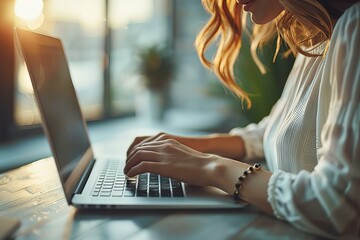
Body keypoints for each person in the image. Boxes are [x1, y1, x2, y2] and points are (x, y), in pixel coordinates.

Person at [124, 0, 360, 239]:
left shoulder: (355, 27)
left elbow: (337, 205)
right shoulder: (320, 38)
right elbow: (278, 130)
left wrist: (209, 167)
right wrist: (192, 147)